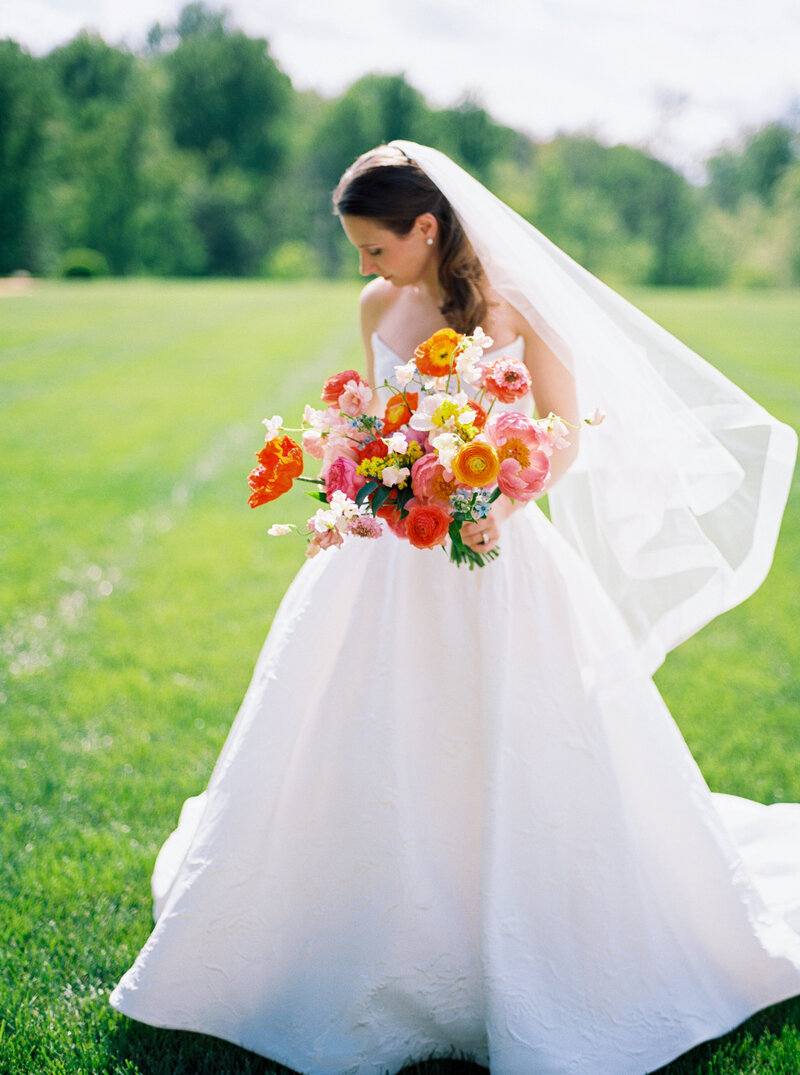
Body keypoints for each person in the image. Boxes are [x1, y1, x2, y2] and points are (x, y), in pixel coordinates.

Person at [110, 142, 800, 1075]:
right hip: (385, 565)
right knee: (365, 735)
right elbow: (372, 422)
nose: (365, 268)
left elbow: (561, 435)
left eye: (376, 248)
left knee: (515, 741)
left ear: (425, 229)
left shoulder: (520, 308)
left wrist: (494, 490)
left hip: (495, 556)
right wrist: (363, 473)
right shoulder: (375, 308)